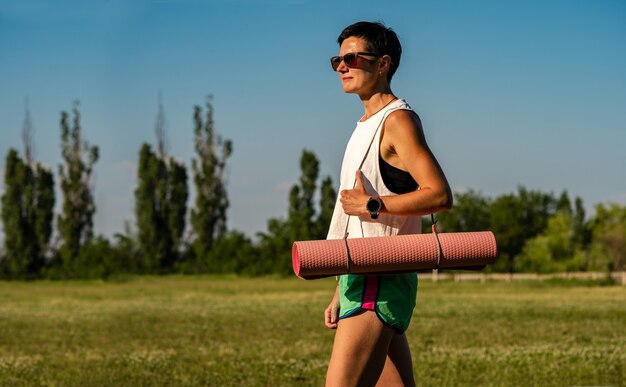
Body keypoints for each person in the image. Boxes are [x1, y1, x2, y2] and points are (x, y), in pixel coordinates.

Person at [324, 21, 453, 386]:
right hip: (360, 277)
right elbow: (354, 224)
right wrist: (339, 288)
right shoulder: (364, 123)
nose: (342, 67)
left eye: (352, 58)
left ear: (383, 64)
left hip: (377, 279)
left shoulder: (397, 121)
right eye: (337, 60)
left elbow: (440, 194)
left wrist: (373, 205)